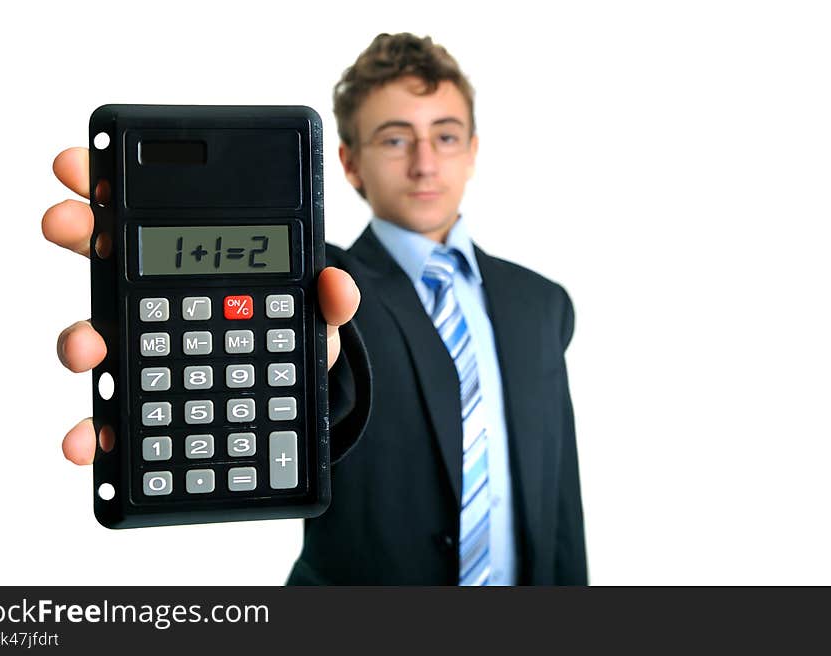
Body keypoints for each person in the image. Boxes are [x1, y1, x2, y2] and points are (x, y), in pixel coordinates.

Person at [43, 32, 587, 585]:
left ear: (472, 150)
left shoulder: (542, 304)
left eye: (445, 136)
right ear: (349, 163)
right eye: (395, 140)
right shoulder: (317, 281)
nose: (425, 163)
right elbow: (331, 380)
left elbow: (560, 498)